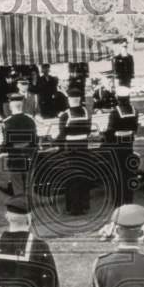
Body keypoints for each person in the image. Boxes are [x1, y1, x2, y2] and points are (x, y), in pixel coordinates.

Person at [56, 88, 92, 216]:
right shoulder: (86, 112)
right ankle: (85, 204)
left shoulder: (66, 115)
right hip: (84, 146)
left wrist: (55, 144)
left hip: (71, 148)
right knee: (83, 175)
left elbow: (61, 135)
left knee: (72, 178)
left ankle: (74, 207)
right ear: (80, 99)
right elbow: (88, 130)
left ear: (69, 99)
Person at [103, 84, 139, 206]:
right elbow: (134, 128)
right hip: (129, 143)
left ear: (118, 98)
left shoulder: (115, 113)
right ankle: (129, 198)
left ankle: (118, 200)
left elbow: (110, 131)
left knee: (118, 172)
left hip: (117, 144)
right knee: (128, 171)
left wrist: (105, 138)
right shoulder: (135, 111)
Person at [0, 93, 38, 199]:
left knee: (17, 183)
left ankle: (21, 207)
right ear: (22, 105)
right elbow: (34, 140)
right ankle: (29, 203)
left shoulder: (7, 123)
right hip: (28, 154)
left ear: (10, 106)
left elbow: (6, 144)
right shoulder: (30, 120)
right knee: (27, 182)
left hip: (15, 156)